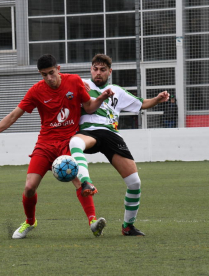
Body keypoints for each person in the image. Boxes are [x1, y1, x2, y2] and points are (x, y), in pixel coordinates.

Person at [0, 54, 113, 239]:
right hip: (45, 145)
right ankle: (30, 221)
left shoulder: (75, 81)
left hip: (68, 143)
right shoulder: (36, 91)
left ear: (58, 69)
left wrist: (101, 98)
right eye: (44, 75)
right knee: (29, 187)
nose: (49, 78)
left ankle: (93, 222)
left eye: (51, 73)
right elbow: (13, 116)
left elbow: (89, 107)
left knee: (79, 181)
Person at [69, 54, 169, 236]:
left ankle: (128, 226)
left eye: (102, 70)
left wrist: (157, 99)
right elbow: (62, 85)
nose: (98, 73)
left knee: (134, 182)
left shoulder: (117, 91)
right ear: (91, 69)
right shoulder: (80, 84)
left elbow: (141, 104)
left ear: (110, 72)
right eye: (95, 69)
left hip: (111, 135)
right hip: (89, 131)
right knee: (75, 141)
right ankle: (85, 182)